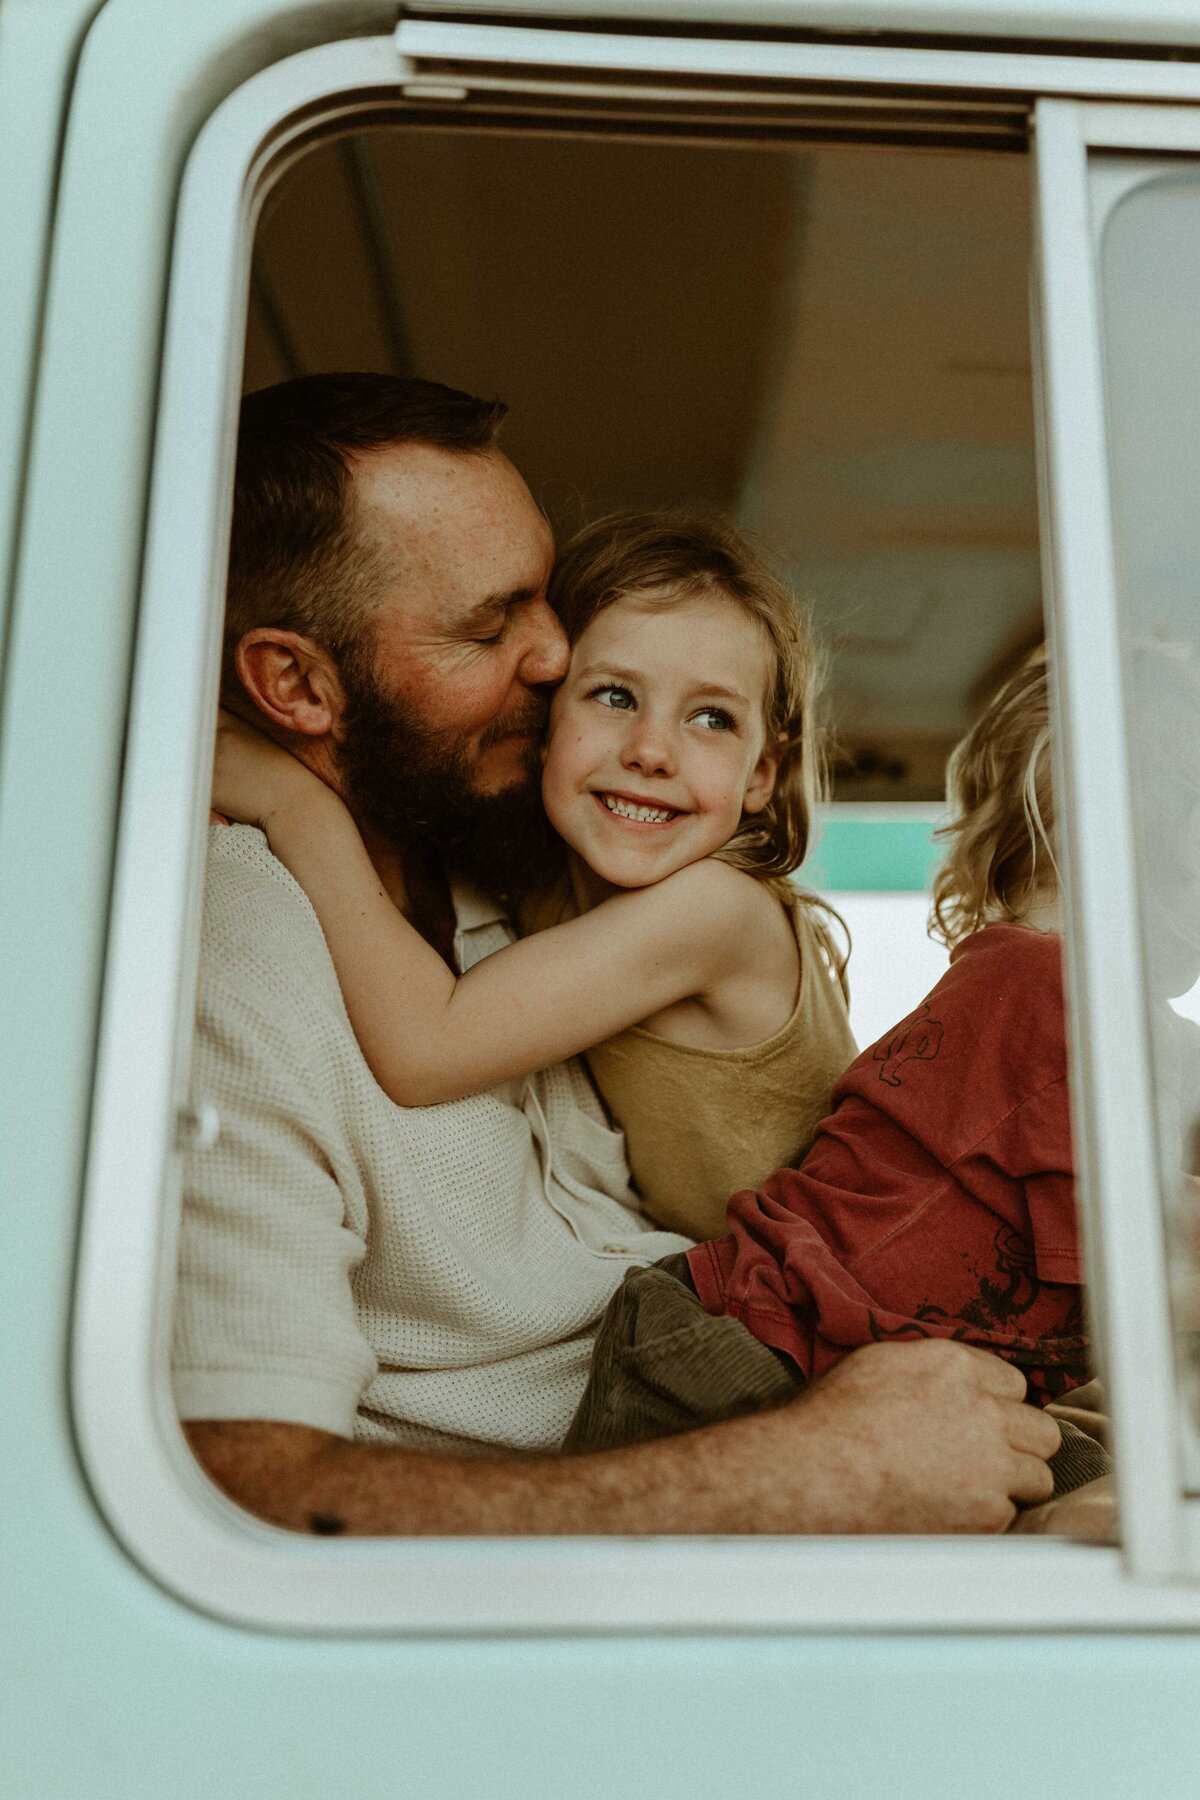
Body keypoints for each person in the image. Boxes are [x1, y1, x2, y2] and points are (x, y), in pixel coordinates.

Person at [176, 371, 1060, 1536]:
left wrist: (299, 808)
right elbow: (249, 1503)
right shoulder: (243, 965)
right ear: (293, 684)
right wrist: (791, 1472)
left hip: (827, 1339)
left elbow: (446, 1037)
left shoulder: (568, 886)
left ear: (762, 771)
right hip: (749, 1387)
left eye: (548, 602)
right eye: (494, 626)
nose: (549, 658)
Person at [211, 511, 856, 1242]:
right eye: (614, 696)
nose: (651, 750)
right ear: (544, 724)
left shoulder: (714, 913)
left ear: (761, 774)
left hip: (830, 1293)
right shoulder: (545, 886)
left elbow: (426, 1051)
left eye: (711, 719)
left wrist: (294, 806)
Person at [567, 647, 1109, 1505]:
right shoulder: (1057, 995)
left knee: (1110, 1494)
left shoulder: (1035, 987)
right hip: (747, 1352)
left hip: (834, 1363)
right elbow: (1142, 1269)